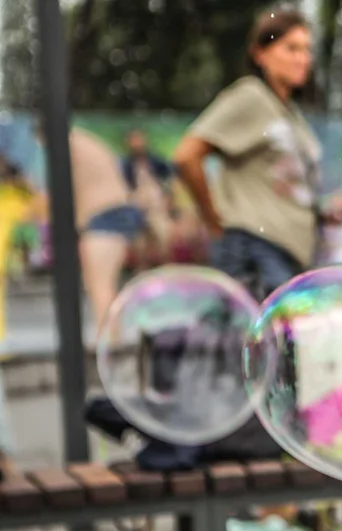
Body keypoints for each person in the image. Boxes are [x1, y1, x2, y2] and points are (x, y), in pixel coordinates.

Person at [174, 6, 321, 300]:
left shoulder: (290, 113)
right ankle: (165, 345)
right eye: (291, 48)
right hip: (255, 247)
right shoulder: (250, 95)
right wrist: (214, 221)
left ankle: (165, 344)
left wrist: (324, 212)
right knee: (269, 342)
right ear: (260, 53)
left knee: (265, 340)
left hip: (285, 250)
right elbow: (186, 157)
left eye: (306, 50)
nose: (303, 59)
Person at [64, 127, 148, 334]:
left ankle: (109, 344)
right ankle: (110, 342)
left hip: (104, 214)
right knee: (102, 285)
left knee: (100, 285)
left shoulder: (67, 143)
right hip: (113, 212)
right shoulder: (86, 141)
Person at [121, 128, 175, 268]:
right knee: (139, 242)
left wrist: (168, 199)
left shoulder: (156, 161)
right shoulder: (126, 164)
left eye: (139, 139)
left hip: (156, 205)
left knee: (164, 237)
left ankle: (166, 268)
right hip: (135, 205)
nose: (137, 143)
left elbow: (169, 180)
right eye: (134, 140)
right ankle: (142, 270)